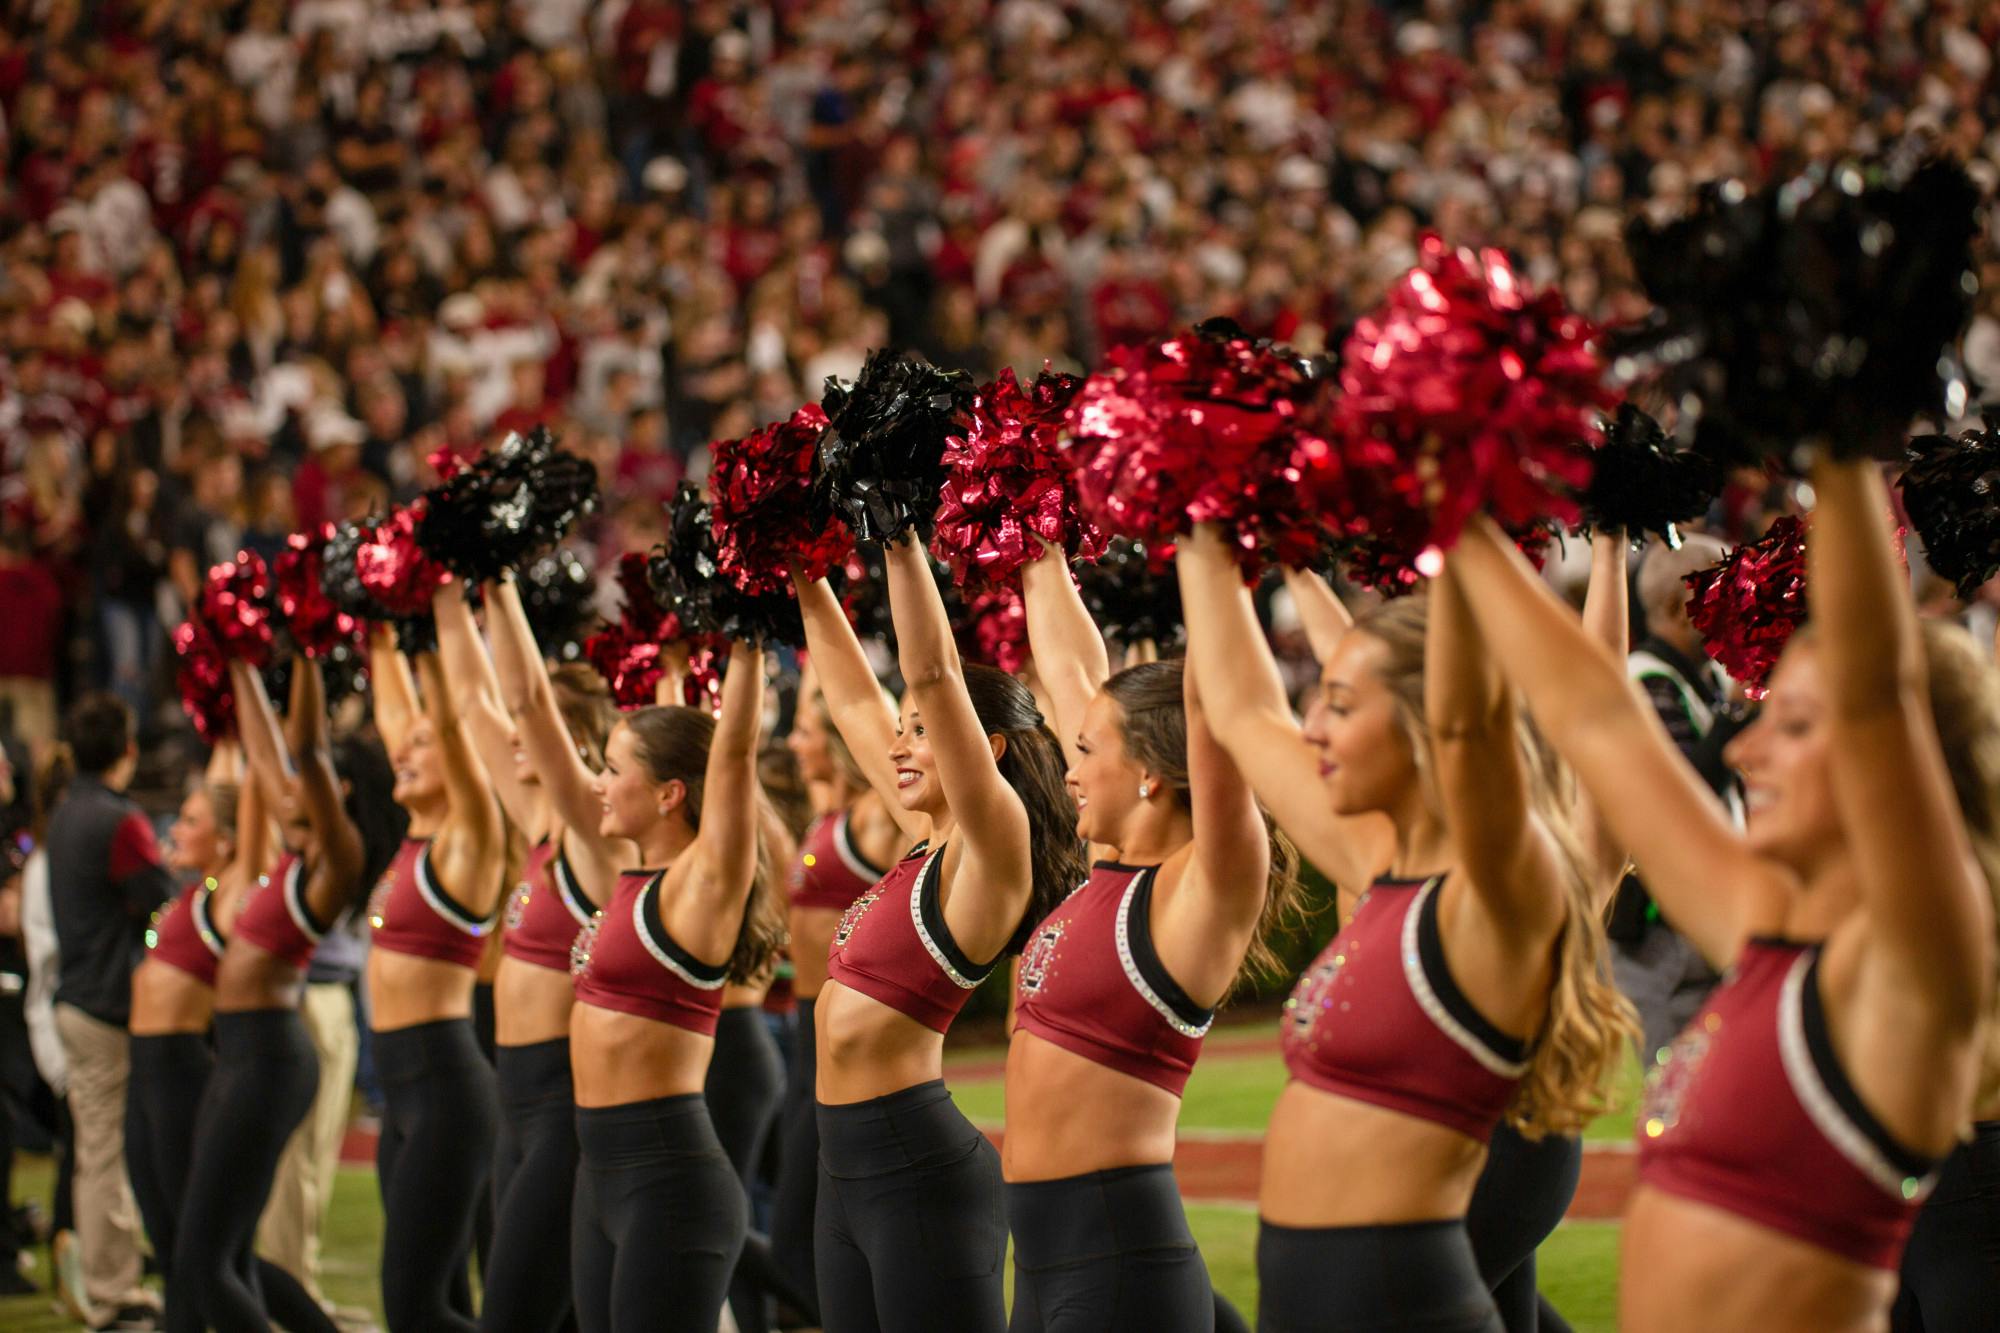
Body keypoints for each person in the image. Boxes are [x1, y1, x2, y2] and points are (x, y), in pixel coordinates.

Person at [1444, 455, 1999, 1332]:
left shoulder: (1914, 964)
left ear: (1903, 759)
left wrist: (1844, 438)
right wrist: (1451, 508)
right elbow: (1593, 714)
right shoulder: (1762, 929)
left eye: (1797, 724)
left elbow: (1877, 684)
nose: (1743, 753)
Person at [1178, 523, 1632, 1333]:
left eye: (1341, 705)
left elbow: (1482, 720)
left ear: (1431, 726)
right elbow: (1243, 707)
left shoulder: (1498, 894)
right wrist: (1201, 510)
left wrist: (1452, 495)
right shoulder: (1378, 862)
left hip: (1398, 1299)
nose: (1311, 726)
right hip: (1313, 1293)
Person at [792, 534, 1085, 1333]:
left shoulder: (993, 848)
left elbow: (933, 673)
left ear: (981, 749)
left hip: (911, 1167)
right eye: (905, 731)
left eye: (920, 731)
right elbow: (856, 700)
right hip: (840, 1164)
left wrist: (896, 538)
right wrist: (803, 574)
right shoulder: (923, 846)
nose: (898, 744)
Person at [1002, 538, 1285, 1332]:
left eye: (1087, 750)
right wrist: (1031, 534)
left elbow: (1215, 705)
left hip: (1117, 1265)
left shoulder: (1202, 887)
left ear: (1152, 771)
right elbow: (1064, 667)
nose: (1067, 768)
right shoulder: (1108, 865)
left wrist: (1204, 531)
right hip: (1046, 1260)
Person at [492, 573, 784, 1333]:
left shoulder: (702, 885)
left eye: (616, 769)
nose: (599, 782)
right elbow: (533, 710)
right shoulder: (624, 873)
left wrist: (748, 637)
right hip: (599, 1169)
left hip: (670, 1177)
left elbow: (735, 755)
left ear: (669, 795)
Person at [162, 659, 374, 1333]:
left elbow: (304, 749)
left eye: (303, 779)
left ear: (332, 792)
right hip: (240, 1055)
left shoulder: (334, 860)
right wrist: (241, 657)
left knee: (203, 1262)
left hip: (273, 1058)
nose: (287, 781)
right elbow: (263, 750)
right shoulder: (276, 860)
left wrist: (309, 653)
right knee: (216, 1254)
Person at [435, 581, 616, 1333]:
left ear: (574, 741)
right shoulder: (541, 824)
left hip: (561, 1109)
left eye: (533, 728)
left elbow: (527, 705)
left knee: (510, 1311)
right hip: (515, 1103)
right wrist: (444, 595)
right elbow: (478, 706)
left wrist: (500, 583)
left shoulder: (595, 836)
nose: (513, 734)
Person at [366, 622, 509, 1333]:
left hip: (447, 1089)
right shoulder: (416, 836)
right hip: (399, 1095)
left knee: (414, 1307)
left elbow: (451, 724)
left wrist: (435, 633)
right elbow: (403, 717)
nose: (404, 749)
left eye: (424, 745)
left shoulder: (470, 835)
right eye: (405, 743)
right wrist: (387, 628)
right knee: (439, 1301)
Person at [769, 668, 903, 1315]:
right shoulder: (827, 814)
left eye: (807, 731)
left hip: (843, 1040)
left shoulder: (876, 818)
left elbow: (865, 719)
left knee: (800, 1226)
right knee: (800, 1229)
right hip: (802, 1026)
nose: (795, 742)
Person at [48, 692, 174, 1330]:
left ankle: (109, 1272)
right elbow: (158, 900)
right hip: (105, 1002)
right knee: (103, 1149)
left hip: (76, 997)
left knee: (98, 1146)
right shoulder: (117, 820)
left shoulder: (67, 812)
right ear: (128, 748)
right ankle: (111, 1288)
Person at [1610, 535, 1741, 1062]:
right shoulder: (1644, 679)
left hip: (1699, 910)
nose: (1735, 609)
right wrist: (1734, 713)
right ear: (1673, 606)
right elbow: (1682, 793)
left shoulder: (1701, 676)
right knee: (1668, 1083)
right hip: (1656, 928)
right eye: (1719, 594)